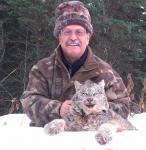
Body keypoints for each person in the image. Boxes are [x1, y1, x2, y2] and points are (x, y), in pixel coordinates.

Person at [21, 1, 131, 127]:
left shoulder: (104, 72)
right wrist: (58, 109)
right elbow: (29, 101)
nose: (73, 37)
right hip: (52, 139)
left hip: (90, 140)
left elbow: (124, 107)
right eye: (67, 32)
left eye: (79, 32)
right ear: (59, 36)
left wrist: (98, 108)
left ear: (88, 37)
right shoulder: (42, 69)